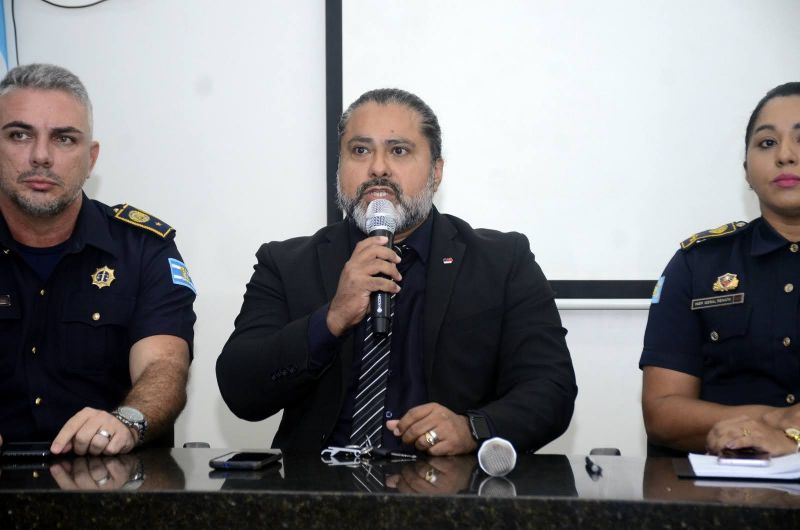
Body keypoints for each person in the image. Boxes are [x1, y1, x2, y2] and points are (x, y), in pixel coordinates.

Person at [217, 88, 576, 455]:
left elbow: (552, 388)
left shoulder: (502, 261)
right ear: (340, 168)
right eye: (360, 151)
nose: (378, 168)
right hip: (318, 482)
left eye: (399, 151)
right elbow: (240, 389)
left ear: (436, 172)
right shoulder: (286, 263)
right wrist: (331, 319)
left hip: (449, 483)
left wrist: (473, 428)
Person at [0, 64, 196, 456]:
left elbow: (163, 368)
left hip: (111, 476)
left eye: (64, 139)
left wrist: (128, 421)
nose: (40, 156)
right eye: (20, 135)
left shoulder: (144, 250)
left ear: (91, 159)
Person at [640, 82, 800, 456]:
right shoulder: (698, 264)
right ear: (746, 170)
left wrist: (791, 440)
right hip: (722, 483)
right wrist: (774, 421)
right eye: (767, 143)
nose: (785, 155)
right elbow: (662, 413)